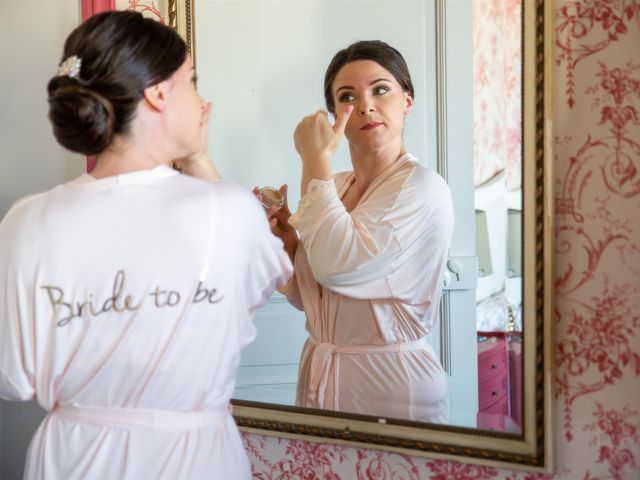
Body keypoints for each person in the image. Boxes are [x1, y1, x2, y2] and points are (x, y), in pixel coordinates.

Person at [0, 10, 291, 479]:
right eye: (191, 80)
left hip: (71, 458)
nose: (201, 99)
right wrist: (200, 159)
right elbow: (268, 279)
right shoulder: (228, 211)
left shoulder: (27, 219)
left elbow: (12, 378)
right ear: (158, 92)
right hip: (191, 460)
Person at [262, 40, 454, 423]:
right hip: (323, 374)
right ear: (335, 115)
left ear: (408, 101)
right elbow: (312, 297)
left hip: (393, 385)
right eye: (347, 96)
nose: (365, 105)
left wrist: (314, 158)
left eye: (381, 89)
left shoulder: (421, 187)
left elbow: (338, 266)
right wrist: (288, 245)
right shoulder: (336, 185)